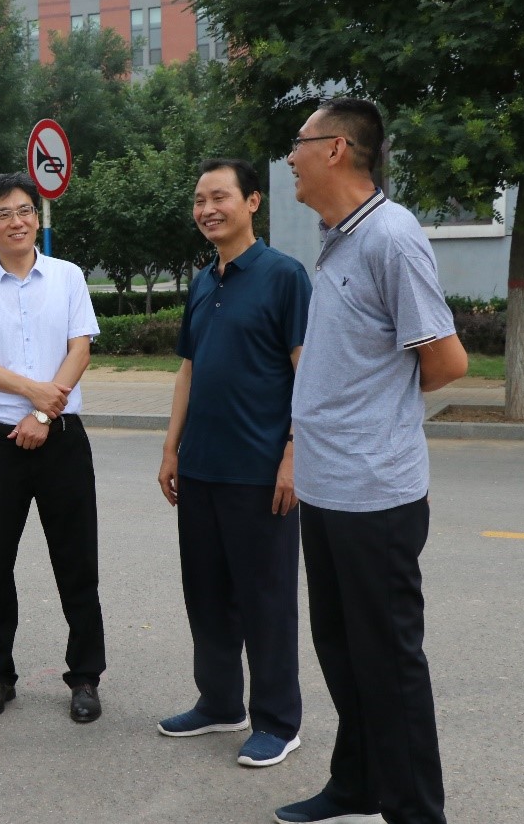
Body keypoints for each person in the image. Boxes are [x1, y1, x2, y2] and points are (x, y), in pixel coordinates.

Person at [280, 98, 467, 824]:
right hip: (328, 488)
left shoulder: (392, 236)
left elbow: (446, 361)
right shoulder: (339, 237)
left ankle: (416, 812)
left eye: (299, 142)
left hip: (375, 494)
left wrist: (378, 416)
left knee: (388, 661)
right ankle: (356, 783)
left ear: (335, 149)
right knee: (341, 650)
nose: (290, 156)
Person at [156, 159, 311, 768]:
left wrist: (293, 454)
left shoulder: (284, 277)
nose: (207, 209)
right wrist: (171, 448)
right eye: (199, 200)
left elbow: (306, 372)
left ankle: (278, 720)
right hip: (201, 467)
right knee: (207, 594)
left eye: (219, 197)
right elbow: (189, 370)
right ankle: (220, 702)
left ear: (252, 202)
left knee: (266, 600)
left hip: (259, 470)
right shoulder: (203, 280)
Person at [0, 172, 106, 724]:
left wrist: (42, 412)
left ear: (36, 217)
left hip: (61, 440)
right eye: (3, 214)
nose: (16, 221)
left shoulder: (67, 276)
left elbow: (80, 348)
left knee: (77, 562)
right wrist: (31, 392)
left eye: (24, 211)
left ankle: (85, 678)